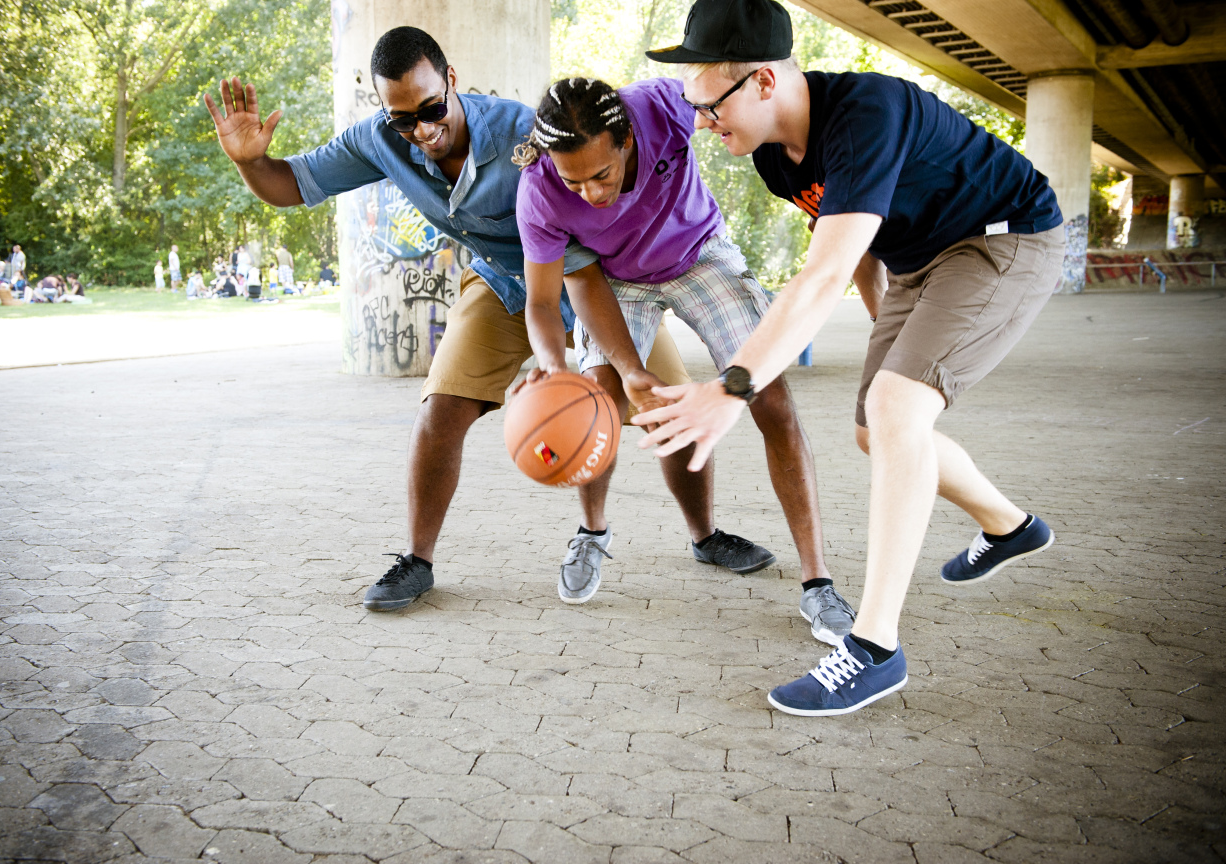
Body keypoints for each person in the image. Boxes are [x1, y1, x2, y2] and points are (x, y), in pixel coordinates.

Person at [638, 0, 1066, 716]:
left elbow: (819, 276)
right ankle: (1011, 527)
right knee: (878, 426)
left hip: (1004, 238)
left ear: (766, 83)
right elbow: (854, 241)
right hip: (917, 263)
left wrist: (733, 385)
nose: (705, 129)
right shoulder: (775, 157)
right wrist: (890, 335)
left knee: (898, 409)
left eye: (711, 110)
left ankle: (874, 649)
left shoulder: (868, 110)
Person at [205, 26, 714, 611]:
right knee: (440, 409)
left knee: (667, 405)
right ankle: (417, 561)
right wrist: (250, 161)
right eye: (402, 119)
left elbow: (588, 234)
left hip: (590, 279)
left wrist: (616, 361)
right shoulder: (381, 141)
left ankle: (705, 534)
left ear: (451, 82)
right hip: (499, 280)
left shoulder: (523, 131)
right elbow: (291, 184)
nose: (421, 129)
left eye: (430, 108)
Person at [515, 75, 852, 636]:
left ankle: (818, 584)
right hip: (616, 279)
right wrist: (553, 372)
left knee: (770, 398)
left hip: (700, 254)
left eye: (602, 175)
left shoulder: (662, 106)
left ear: (624, 139)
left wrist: (813, 192)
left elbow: (752, 114)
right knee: (593, 398)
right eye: (576, 183)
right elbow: (544, 303)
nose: (593, 194)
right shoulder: (540, 190)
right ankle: (592, 535)